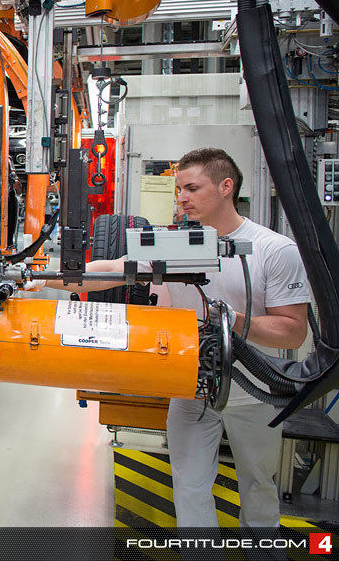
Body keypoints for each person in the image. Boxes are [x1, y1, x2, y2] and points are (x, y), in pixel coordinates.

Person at [49, 148, 309, 527]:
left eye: (191, 188)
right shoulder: (176, 245)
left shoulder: (275, 250)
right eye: (178, 190)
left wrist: (229, 320)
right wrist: (40, 277)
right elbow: (114, 270)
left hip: (254, 391)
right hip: (192, 387)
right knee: (189, 487)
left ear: (225, 187)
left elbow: (293, 330)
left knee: (258, 486)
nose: (182, 198)